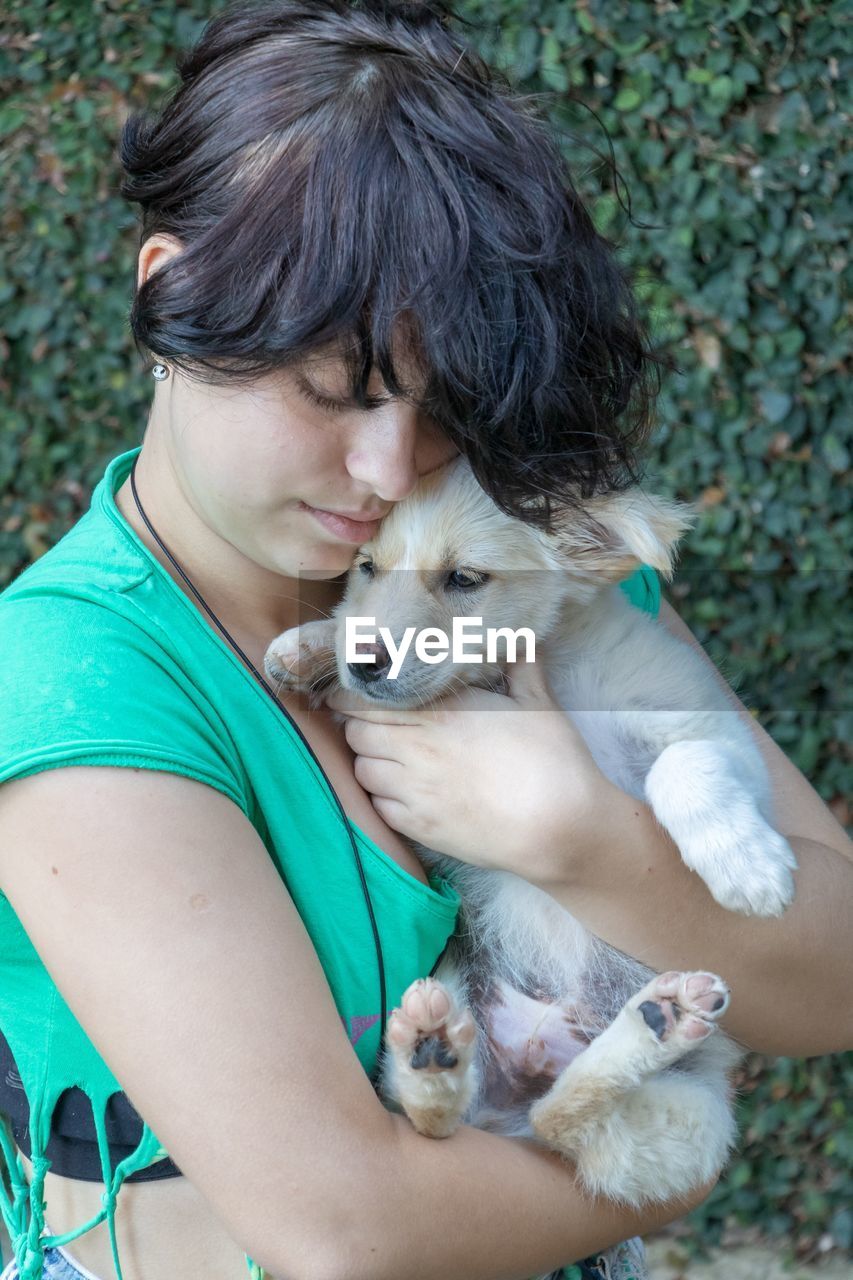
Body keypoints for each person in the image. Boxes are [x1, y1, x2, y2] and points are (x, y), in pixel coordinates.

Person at [1, 3, 851, 1279]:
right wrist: (665, 1175)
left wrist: (583, 836)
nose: (388, 466)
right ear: (170, 290)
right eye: (332, 390)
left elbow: (833, 971)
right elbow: (344, 1229)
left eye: (445, 398)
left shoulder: (506, 550)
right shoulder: (73, 686)